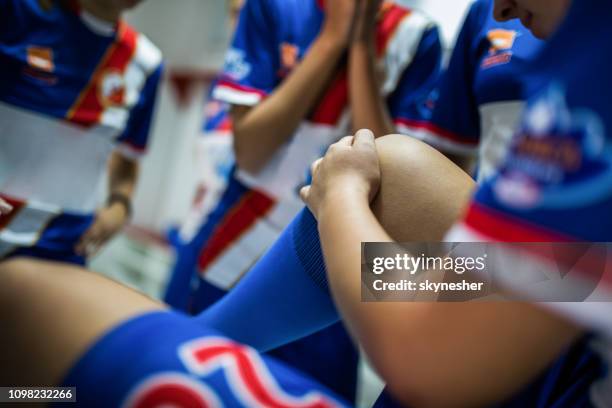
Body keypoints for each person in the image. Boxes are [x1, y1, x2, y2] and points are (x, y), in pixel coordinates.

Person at [2, 0, 610, 407]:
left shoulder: (575, 50)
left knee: (29, 305)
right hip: (574, 296)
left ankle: (63, 384)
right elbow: (566, 275)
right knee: (394, 170)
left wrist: (341, 195)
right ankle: (189, 341)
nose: (500, 8)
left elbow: (431, 358)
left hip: (555, 344)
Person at [0, 0, 162, 265]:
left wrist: (120, 205)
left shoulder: (146, 63)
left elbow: (128, 158)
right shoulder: (19, 12)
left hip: (61, 248)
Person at [405, 0, 544, 181]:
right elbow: (450, 153)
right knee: (397, 154)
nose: (499, 12)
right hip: (491, 201)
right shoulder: (482, 11)